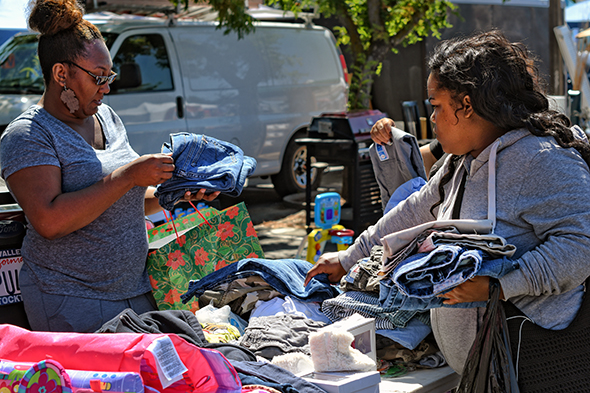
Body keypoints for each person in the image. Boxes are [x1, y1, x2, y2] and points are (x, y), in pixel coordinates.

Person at [305, 30, 590, 374]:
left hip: (537, 365)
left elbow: (579, 245)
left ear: (466, 105)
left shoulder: (541, 159)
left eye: (437, 107)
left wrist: (501, 285)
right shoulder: (461, 162)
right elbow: (412, 212)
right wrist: (349, 257)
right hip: (481, 371)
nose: (434, 119)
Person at [0, 0, 218, 333]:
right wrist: (129, 175)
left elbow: (122, 200)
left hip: (139, 291)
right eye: (99, 77)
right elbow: (50, 220)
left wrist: (171, 193)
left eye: (110, 75)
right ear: (61, 74)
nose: (108, 86)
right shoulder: (28, 134)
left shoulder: (107, 117)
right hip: (72, 299)